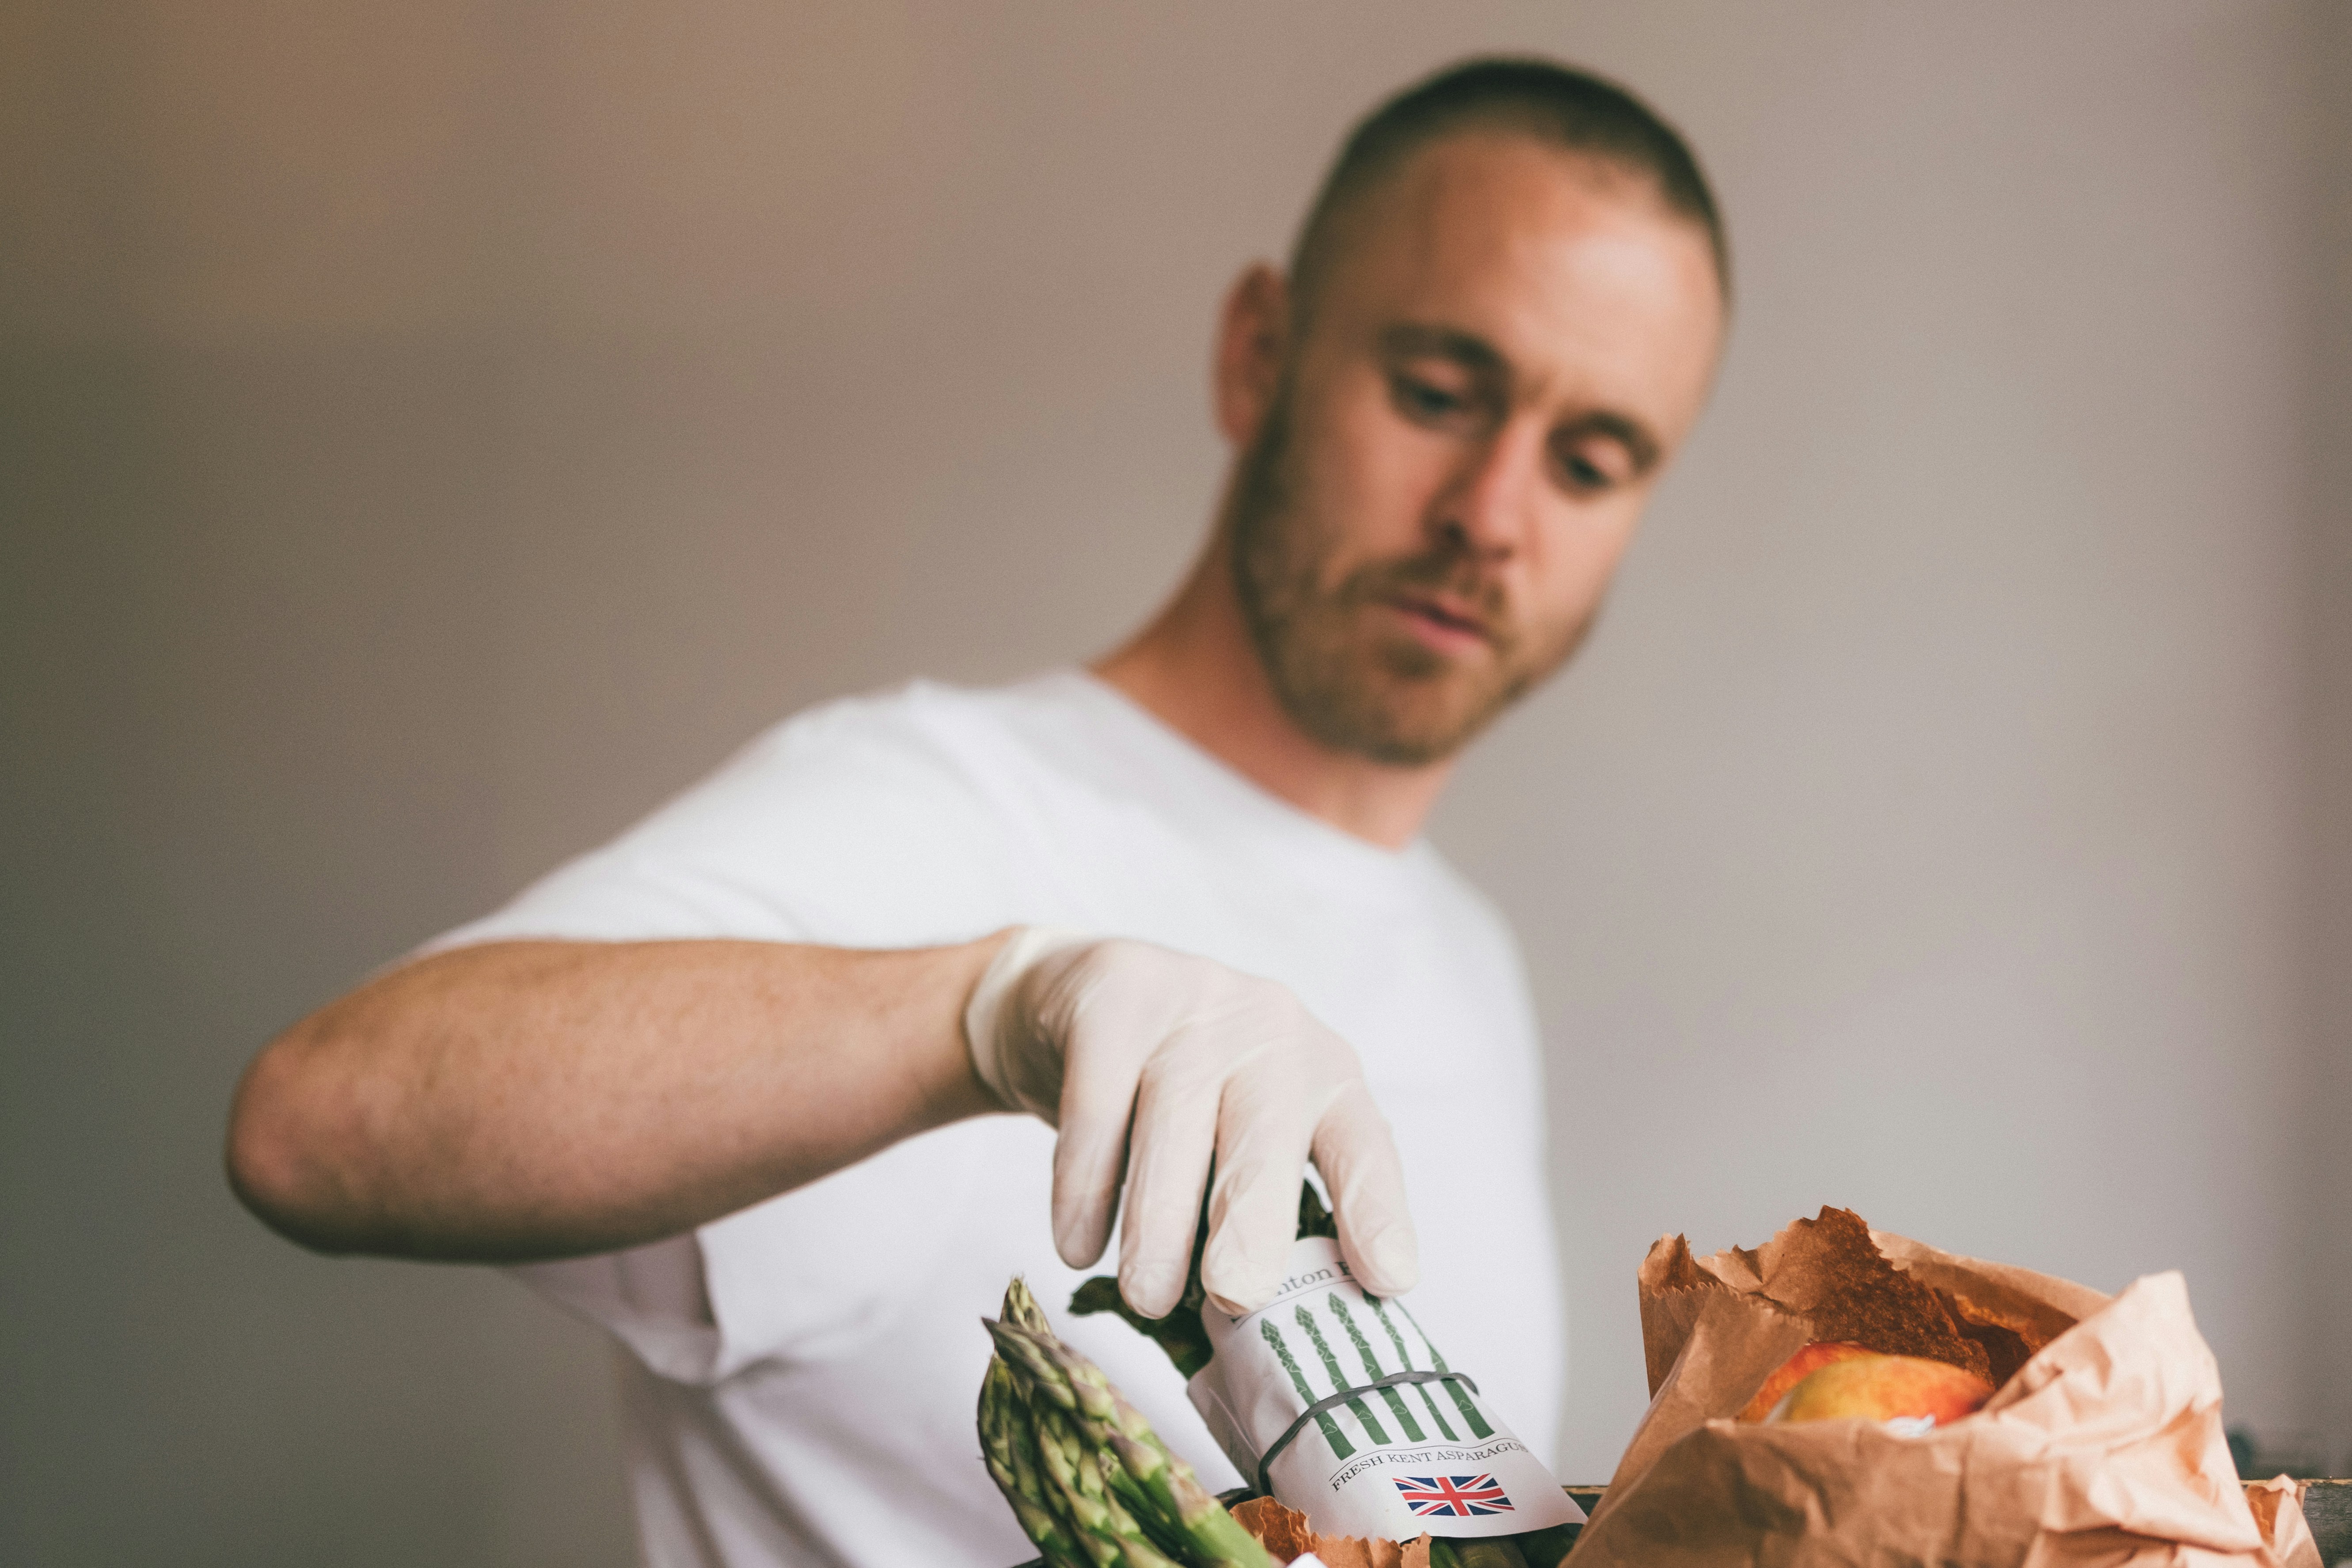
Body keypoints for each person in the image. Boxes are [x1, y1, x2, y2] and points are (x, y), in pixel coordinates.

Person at [227, 56, 1728, 1568]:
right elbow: (320, 1122)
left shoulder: (1464, 956)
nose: (1492, 513)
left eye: (1590, 462)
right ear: (1256, 355)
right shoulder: (935, 813)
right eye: (1435, 394)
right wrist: (985, 1006)